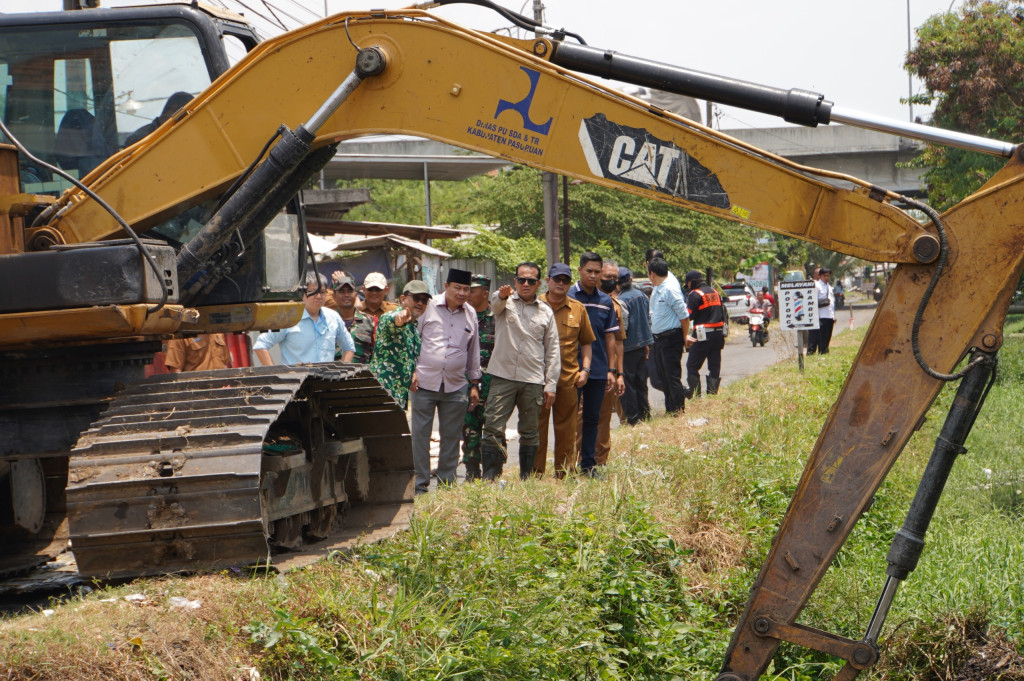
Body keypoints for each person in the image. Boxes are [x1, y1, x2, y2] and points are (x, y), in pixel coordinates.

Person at [480, 263, 559, 482]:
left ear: (539, 284)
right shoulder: (505, 301)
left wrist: (550, 384)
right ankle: (491, 475)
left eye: (531, 281)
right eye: (521, 280)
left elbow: (553, 351)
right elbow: (494, 306)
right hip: (503, 375)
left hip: (532, 379)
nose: (526, 284)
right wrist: (503, 295)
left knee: (530, 430)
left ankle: (526, 478)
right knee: (493, 425)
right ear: (515, 281)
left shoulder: (545, 312)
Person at [409, 269, 481, 495]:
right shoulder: (428, 308)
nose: (462, 293)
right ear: (446, 285)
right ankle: (419, 487)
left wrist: (475, 384)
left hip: (456, 384)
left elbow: (473, 351)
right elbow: (412, 340)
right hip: (424, 383)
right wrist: (411, 370)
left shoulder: (470, 313)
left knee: (451, 439)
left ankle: (446, 487)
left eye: (466, 289)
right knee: (420, 437)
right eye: (457, 288)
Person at [534, 263, 595, 478]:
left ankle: (563, 473)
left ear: (570, 283)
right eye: (556, 279)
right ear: (547, 281)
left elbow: (586, 342)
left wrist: (585, 369)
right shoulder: (534, 304)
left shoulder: (578, 309)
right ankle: (536, 474)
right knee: (537, 429)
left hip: (568, 378)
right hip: (537, 380)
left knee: (567, 430)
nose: (560, 284)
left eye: (565, 280)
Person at [569, 252, 619, 476]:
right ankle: (566, 464)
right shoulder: (568, 296)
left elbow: (610, 338)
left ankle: (588, 466)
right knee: (568, 419)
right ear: (579, 270)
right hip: (570, 369)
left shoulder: (605, 301)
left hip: (598, 370)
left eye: (597, 272)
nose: (593, 275)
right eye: (589, 271)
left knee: (592, 418)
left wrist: (612, 370)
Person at [253, 272, 355, 366]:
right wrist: (274, 374)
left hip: (327, 382)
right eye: (313, 292)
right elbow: (260, 345)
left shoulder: (333, 317)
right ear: (302, 294)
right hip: (297, 383)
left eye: (322, 292)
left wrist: (343, 373)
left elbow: (349, 347)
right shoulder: (288, 318)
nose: (319, 296)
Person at [369, 280, 431, 409]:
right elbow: (395, 322)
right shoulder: (389, 317)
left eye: (424, 300)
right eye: (416, 298)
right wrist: (400, 317)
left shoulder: (413, 327)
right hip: (381, 395)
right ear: (402, 298)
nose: (420, 303)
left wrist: (412, 372)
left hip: (398, 397)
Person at [462, 274, 498, 481]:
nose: (467, 294)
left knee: (494, 427)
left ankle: (492, 470)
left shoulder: (497, 318)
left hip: (493, 384)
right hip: (467, 384)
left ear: (484, 293)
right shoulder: (463, 317)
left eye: (472, 290)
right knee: (469, 428)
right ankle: (471, 470)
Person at [593, 260, 627, 467]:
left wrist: (619, 373)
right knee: (580, 419)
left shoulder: (615, 306)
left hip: (607, 372)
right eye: (607, 278)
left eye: (615, 278)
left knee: (604, 419)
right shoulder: (577, 301)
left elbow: (618, 343)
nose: (612, 282)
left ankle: (600, 462)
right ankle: (578, 461)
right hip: (582, 370)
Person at [647, 257, 689, 414]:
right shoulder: (658, 288)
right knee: (662, 376)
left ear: (652, 273)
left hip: (672, 337)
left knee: (672, 377)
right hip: (659, 339)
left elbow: (684, 316)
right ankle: (670, 409)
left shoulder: (670, 289)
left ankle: (677, 410)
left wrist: (684, 337)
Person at [617, 266, 654, 425]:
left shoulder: (621, 301)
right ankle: (645, 415)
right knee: (641, 382)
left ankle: (633, 419)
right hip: (643, 345)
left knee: (628, 385)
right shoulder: (642, 296)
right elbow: (648, 320)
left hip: (628, 347)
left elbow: (623, 327)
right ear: (630, 280)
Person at [683, 269, 726, 396]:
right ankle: (712, 395)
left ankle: (696, 395)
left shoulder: (695, 294)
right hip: (718, 334)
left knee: (692, 366)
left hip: (703, 335)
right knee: (714, 366)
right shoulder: (715, 292)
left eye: (688, 284)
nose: (688, 287)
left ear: (691, 282)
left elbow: (689, 315)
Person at [326, 273, 375, 362]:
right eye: (341, 292)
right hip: (334, 374)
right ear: (334, 296)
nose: (346, 295)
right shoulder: (327, 322)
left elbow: (376, 353)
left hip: (363, 374)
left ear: (355, 295)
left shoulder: (370, 321)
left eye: (350, 291)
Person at [125, 91, 193, 147]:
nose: (188, 120)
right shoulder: (140, 139)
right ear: (175, 109)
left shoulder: (183, 137)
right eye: (186, 114)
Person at [164, 333, 231, 372]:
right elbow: (176, 371)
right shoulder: (179, 335)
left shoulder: (217, 332)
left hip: (221, 390)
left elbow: (224, 364)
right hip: (196, 391)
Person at [809, 267, 836, 354]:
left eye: (828, 276)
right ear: (820, 276)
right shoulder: (817, 285)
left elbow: (832, 302)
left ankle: (825, 351)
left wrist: (833, 315)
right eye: (825, 276)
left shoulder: (829, 286)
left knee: (828, 336)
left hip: (829, 315)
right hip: (821, 316)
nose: (827, 278)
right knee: (822, 337)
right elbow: (813, 300)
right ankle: (822, 352)